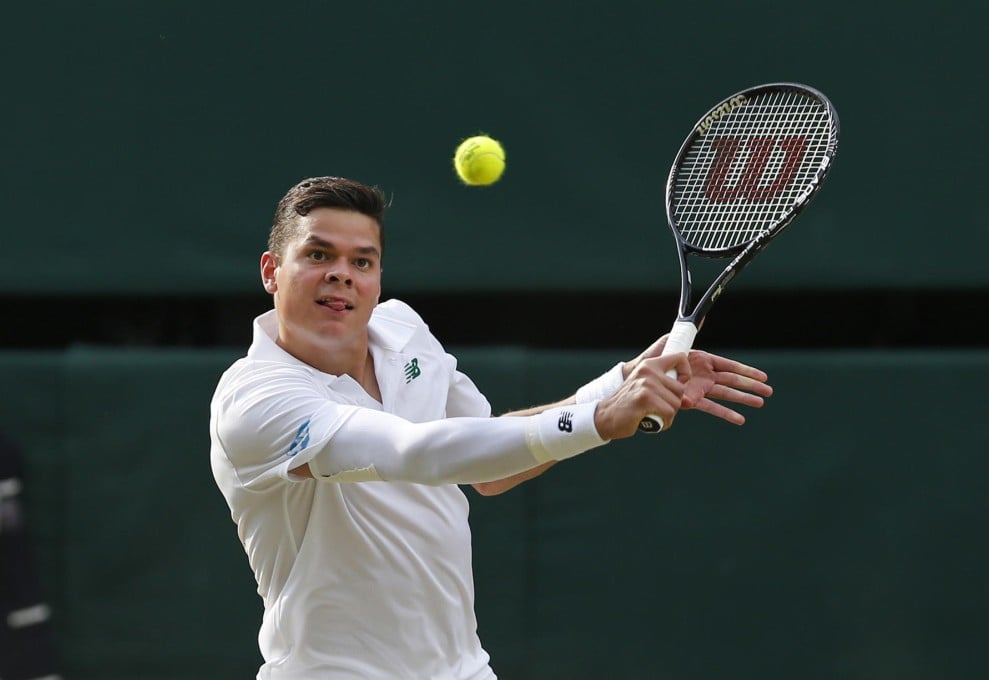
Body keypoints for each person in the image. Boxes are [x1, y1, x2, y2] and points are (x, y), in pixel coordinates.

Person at [210, 176, 773, 679]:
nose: (342, 274)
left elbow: (491, 462)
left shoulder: (404, 330)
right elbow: (412, 451)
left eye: (363, 261)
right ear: (271, 272)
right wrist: (600, 419)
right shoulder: (257, 398)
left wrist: (615, 385)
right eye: (318, 254)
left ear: (378, 278)